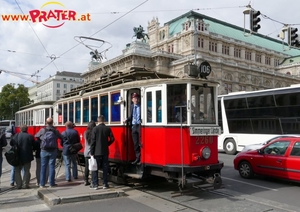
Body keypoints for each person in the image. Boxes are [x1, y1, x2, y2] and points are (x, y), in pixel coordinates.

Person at [35, 117, 63, 188]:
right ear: (52, 122)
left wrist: (42, 140)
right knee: (52, 166)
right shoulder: (55, 131)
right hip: (53, 150)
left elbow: (36, 136)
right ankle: (51, 183)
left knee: (43, 167)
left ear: (46, 122)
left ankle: (42, 184)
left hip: (44, 150)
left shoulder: (42, 130)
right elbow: (61, 137)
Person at [90, 115, 114, 190]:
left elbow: (93, 141)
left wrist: (92, 152)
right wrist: (107, 144)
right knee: (105, 168)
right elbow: (112, 139)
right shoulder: (107, 129)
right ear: (104, 120)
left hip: (96, 152)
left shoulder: (95, 129)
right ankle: (105, 184)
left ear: (98, 121)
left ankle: (95, 184)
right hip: (105, 151)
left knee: (95, 168)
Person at [10, 124, 34, 189]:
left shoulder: (16, 136)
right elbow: (33, 145)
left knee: (17, 170)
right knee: (26, 170)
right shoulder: (30, 136)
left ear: (20, 129)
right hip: (27, 156)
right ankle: (25, 184)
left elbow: (11, 143)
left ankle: (18, 185)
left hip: (17, 156)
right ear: (27, 129)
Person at [124, 93, 141, 165]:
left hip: (140, 125)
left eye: (137, 98)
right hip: (134, 126)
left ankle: (141, 158)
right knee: (135, 143)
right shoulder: (131, 106)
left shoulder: (141, 106)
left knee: (141, 142)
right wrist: (126, 119)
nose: (136, 100)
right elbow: (130, 116)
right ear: (132, 100)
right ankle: (137, 158)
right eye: (134, 98)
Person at [83, 121, 96, 186]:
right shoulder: (94, 133)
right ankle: (93, 181)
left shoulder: (85, 133)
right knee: (94, 166)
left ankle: (86, 180)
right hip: (93, 152)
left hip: (86, 152)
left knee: (87, 167)